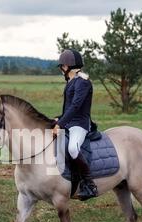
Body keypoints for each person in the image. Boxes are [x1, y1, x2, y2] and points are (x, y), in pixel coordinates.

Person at [52, 49, 98, 200]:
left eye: (61, 67)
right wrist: (58, 119)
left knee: (72, 148)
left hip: (80, 124)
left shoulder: (82, 82)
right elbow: (67, 108)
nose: (61, 70)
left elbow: (76, 106)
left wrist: (61, 123)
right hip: (70, 122)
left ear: (66, 66)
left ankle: (90, 184)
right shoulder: (71, 82)